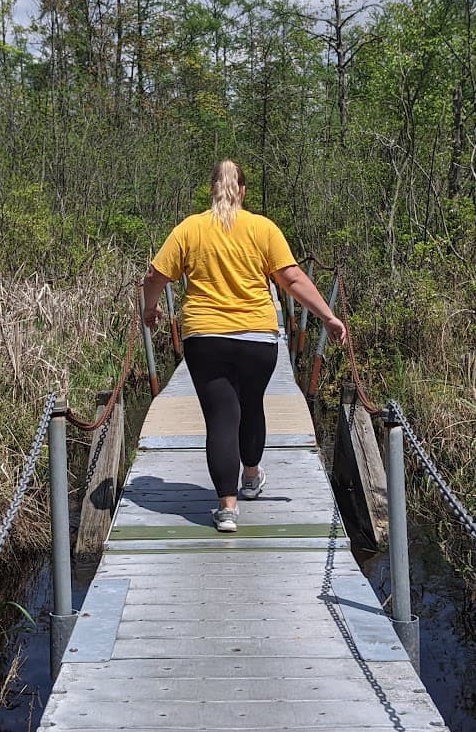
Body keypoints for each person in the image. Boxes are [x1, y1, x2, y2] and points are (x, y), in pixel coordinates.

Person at [142, 160, 346, 532]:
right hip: (257, 338)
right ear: (243, 192)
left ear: (212, 191)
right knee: (251, 405)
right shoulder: (262, 228)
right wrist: (328, 317)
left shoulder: (189, 229)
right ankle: (251, 477)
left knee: (221, 418)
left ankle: (227, 509)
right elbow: (292, 279)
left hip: (205, 338)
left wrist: (150, 308)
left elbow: (156, 274)